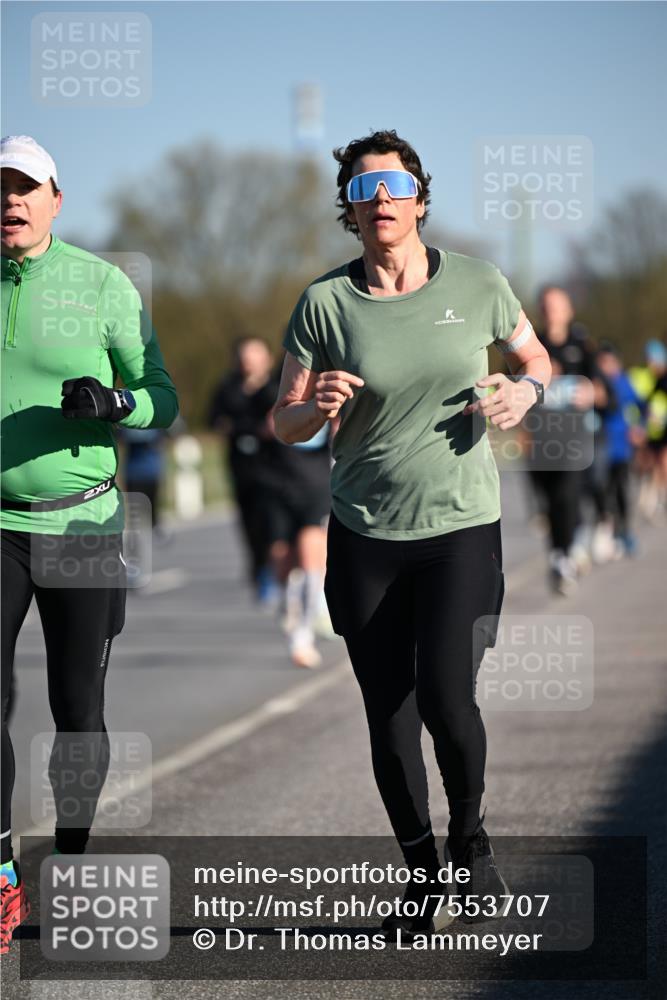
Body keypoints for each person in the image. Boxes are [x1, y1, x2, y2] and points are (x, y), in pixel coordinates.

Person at [273, 129, 551, 938]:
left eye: (394, 187)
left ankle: (470, 839)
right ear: (350, 213)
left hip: (461, 527)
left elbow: (533, 358)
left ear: (420, 199)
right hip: (364, 533)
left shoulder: (479, 280)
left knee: (446, 698)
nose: (381, 201)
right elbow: (283, 421)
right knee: (388, 715)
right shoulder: (324, 303)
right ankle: (423, 873)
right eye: (364, 192)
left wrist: (522, 393)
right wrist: (312, 404)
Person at [0, 135, 178, 954]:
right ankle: (3, 876)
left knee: (77, 711)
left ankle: (68, 859)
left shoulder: (102, 284)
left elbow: (163, 398)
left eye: (25, 189)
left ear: (55, 199)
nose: (11, 202)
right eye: (0, 188)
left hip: (81, 524)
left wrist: (114, 402)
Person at [208, 337, 281, 605]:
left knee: (273, 521)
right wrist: (252, 429)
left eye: (254, 356)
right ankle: (258, 565)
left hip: (275, 468)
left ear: (267, 359)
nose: (248, 362)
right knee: (249, 521)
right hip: (241, 467)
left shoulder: (277, 387)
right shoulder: (227, 389)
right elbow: (216, 421)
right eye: (244, 356)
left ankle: (273, 571)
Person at [596, 342, 647, 555]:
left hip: (621, 447)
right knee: (602, 490)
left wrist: (639, 428)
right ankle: (609, 531)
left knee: (622, 491)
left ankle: (625, 532)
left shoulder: (624, 383)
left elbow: (643, 406)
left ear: (617, 363)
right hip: (599, 445)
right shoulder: (595, 384)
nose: (606, 366)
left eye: (609, 362)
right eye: (602, 363)